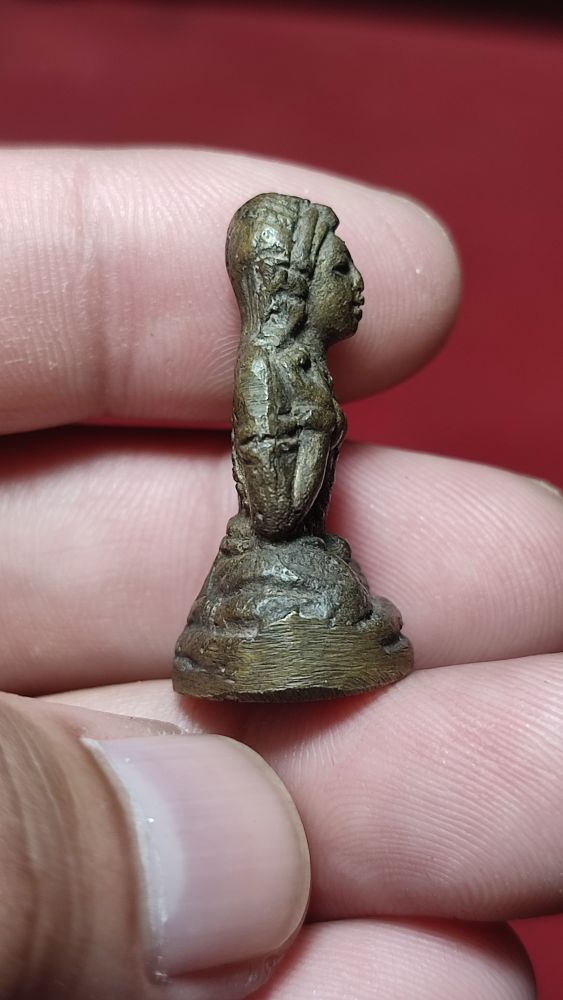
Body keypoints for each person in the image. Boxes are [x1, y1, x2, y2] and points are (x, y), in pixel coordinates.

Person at [0, 147, 561, 999]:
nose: (358, 287)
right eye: (339, 269)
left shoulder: (295, 366)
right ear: (293, 284)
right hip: (278, 567)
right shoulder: (271, 369)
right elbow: (274, 505)